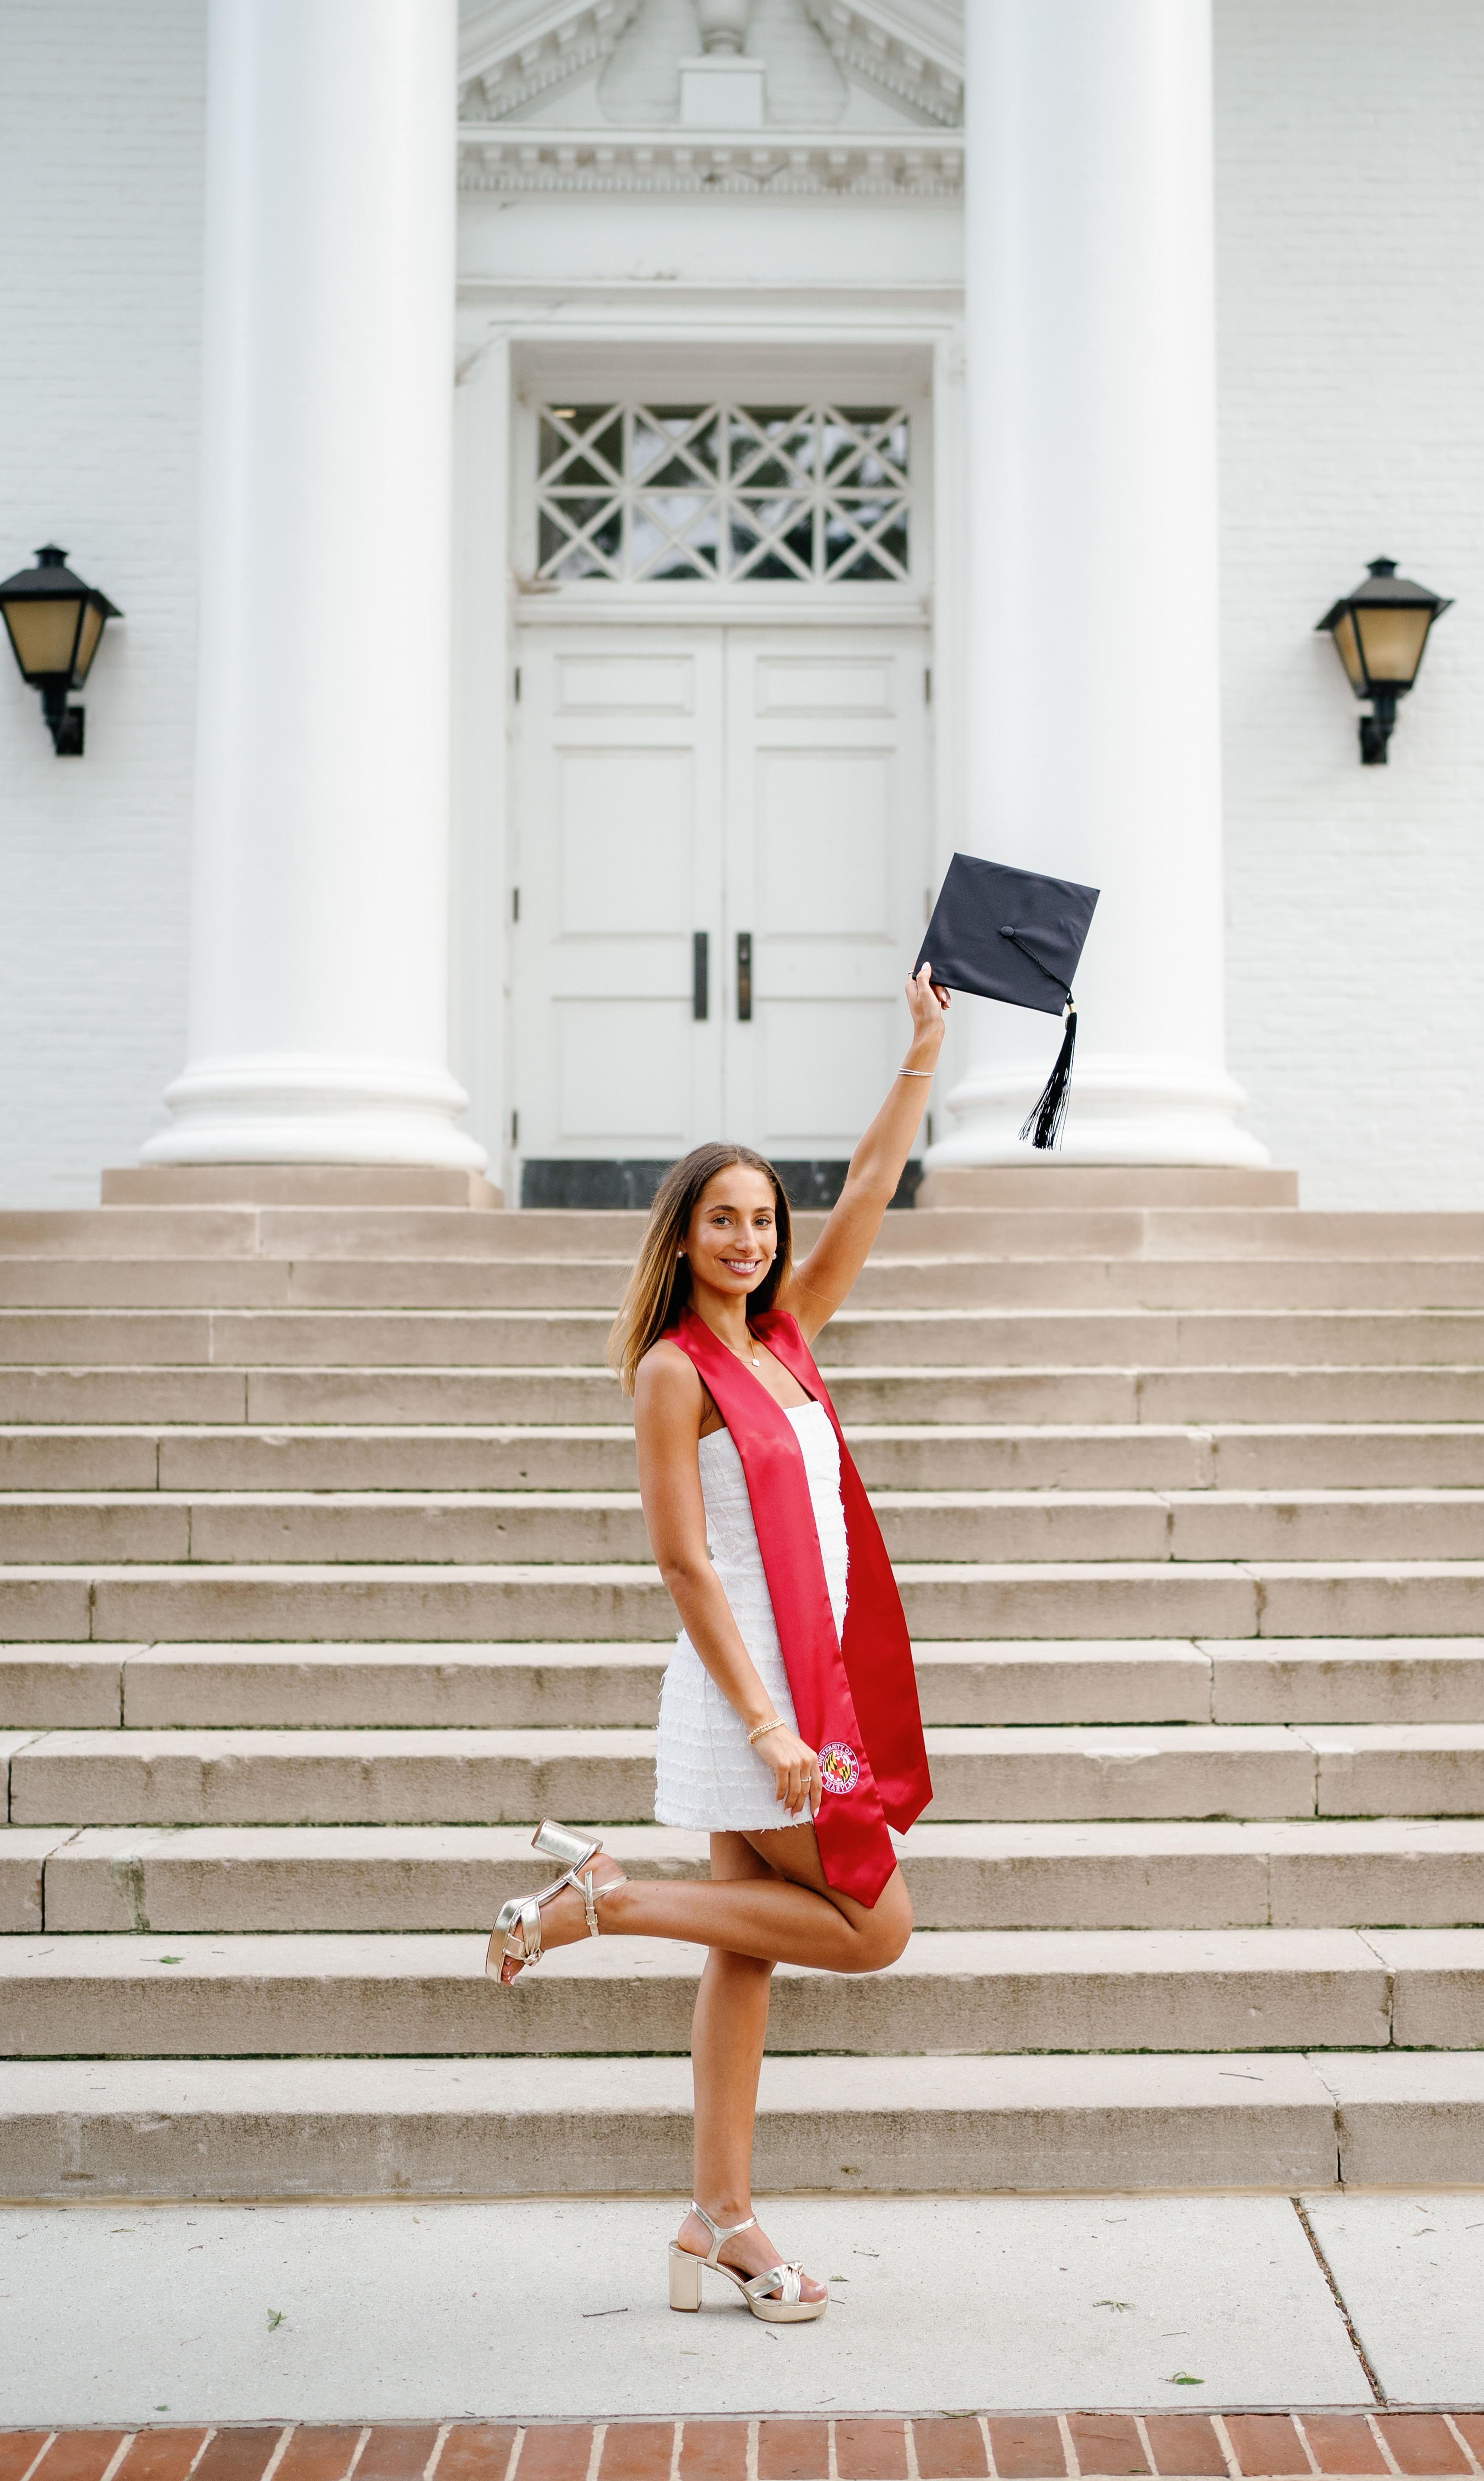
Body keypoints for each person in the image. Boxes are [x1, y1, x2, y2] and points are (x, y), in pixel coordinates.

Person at [486, 963, 950, 2324]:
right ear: (682, 1238)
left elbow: (867, 1188)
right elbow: (686, 1561)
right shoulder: (674, 1371)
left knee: (747, 1952)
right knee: (872, 1929)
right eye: (722, 1221)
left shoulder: (789, 1339)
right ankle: (604, 1902)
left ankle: (721, 2215)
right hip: (753, 1701)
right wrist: (767, 1726)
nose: (748, 1239)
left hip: (800, 1691)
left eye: (762, 1219)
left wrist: (923, 1051)